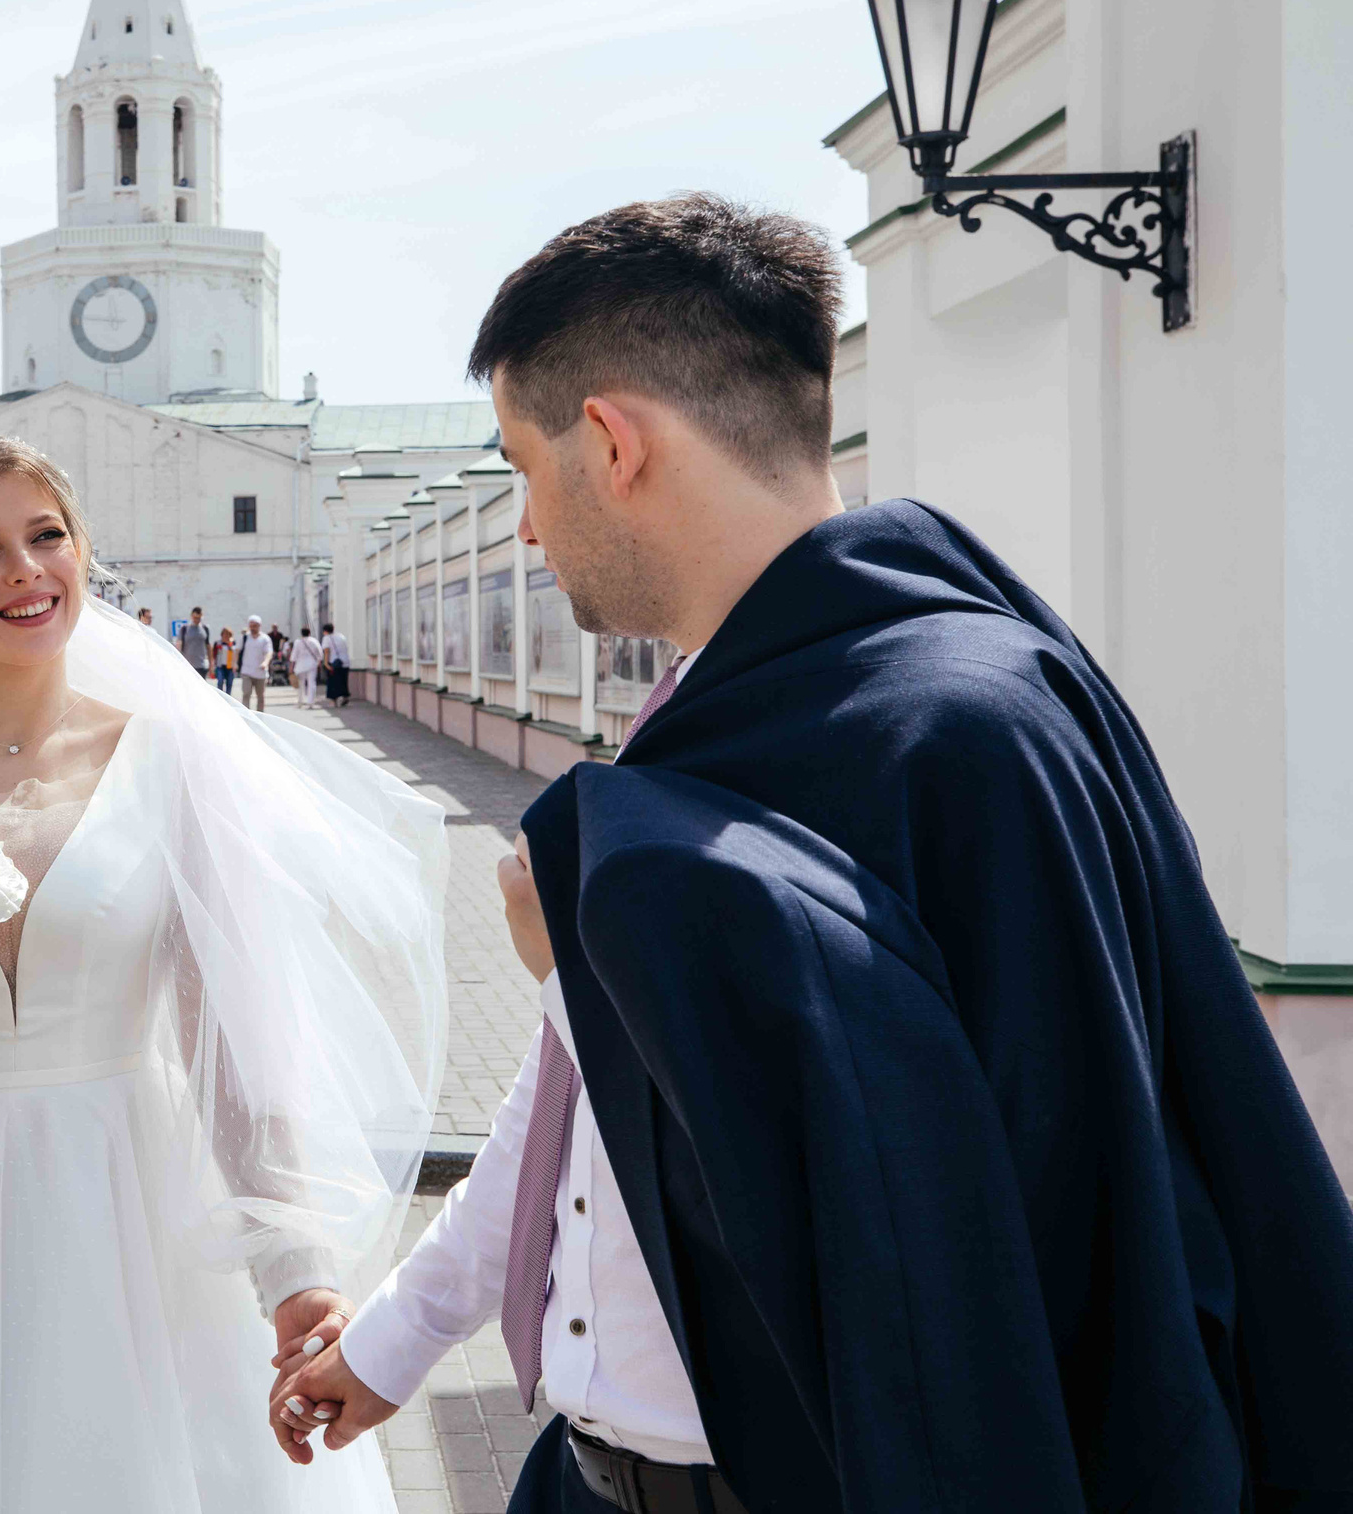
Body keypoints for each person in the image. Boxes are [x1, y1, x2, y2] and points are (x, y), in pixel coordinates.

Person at [271, 194, 1353, 1512]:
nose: (526, 530)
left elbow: (983, 1222)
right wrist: (396, 1340)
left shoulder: (959, 733)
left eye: (520, 465)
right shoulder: (732, 703)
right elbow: (584, 1096)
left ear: (610, 442)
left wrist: (600, 940)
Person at [0, 431, 449, 1513]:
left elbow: (233, 1048)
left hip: (130, 1212)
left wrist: (292, 1270)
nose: (25, 571)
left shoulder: (167, 763)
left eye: (46, 536)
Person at [238, 617, 272, 712]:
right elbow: (237, 651)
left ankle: (259, 716)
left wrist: (265, 662)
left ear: (259, 626)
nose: (253, 628)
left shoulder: (265, 639)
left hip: (260, 672)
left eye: (255, 626)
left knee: (260, 696)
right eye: (251, 626)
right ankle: (246, 716)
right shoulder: (245, 638)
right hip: (247, 671)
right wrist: (234, 663)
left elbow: (269, 653)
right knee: (246, 693)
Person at [288, 626, 324, 708]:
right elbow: (320, 653)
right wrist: (319, 661)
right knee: (311, 683)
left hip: (300, 666)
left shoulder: (298, 642)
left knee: (301, 684)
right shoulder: (314, 641)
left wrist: (291, 666)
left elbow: (294, 655)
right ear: (309, 633)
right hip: (312, 665)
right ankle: (310, 702)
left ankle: (300, 701)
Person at [177, 606, 211, 679]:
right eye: (195, 618)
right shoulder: (184, 629)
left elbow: (208, 647)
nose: (197, 620)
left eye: (199, 618)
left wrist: (211, 664)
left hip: (201, 665)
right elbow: (179, 645)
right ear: (192, 616)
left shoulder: (205, 629)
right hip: (187, 665)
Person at [322, 623, 351, 706]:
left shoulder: (327, 638)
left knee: (333, 682)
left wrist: (326, 663)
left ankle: (334, 700)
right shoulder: (341, 636)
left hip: (334, 663)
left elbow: (326, 651)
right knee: (343, 681)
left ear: (325, 631)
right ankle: (345, 696)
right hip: (345, 662)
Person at [212, 625, 237, 696]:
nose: (226, 636)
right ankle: (220, 696)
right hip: (220, 665)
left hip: (230, 666)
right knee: (220, 681)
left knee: (229, 683)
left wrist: (229, 644)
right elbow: (214, 654)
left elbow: (235, 653)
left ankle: (228, 696)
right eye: (225, 634)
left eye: (228, 634)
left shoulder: (233, 643)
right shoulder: (218, 643)